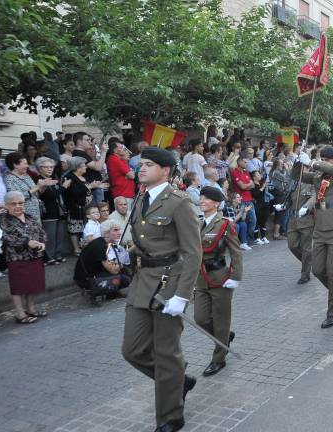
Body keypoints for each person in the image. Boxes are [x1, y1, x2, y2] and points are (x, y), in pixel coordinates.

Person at [121, 147, 202, 432]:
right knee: (132, 350)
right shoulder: (141, 197)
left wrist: (182, 295)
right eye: (140, 165)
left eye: (148, 165)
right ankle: (177, 380)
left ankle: (171, 417)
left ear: (165, 170)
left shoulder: (178, 202)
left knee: (167, 354)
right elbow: (144, 241)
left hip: (169, 284)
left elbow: (193, 253)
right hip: (142, 281)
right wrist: (126, 253)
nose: (141, 169)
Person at [300, 146, 333, 328]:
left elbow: (330, 169)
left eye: (325, 159)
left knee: (332, 270)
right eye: (320, 158)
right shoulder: (318, 176)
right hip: (321, 225)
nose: (322, 162)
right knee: (318, 269)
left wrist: (313, 162)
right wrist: (298, 161)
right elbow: (296, 177)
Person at [194, 187, 242, 377]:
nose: (202, 200)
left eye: (206, 198)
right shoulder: (196, 223)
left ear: (216, 203)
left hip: (220, 277)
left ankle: (218, 359)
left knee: (221, 321)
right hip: (200, 278)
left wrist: (235, 277)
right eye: (201, 197)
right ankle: (223, 338)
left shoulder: (224, 224)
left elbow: (236, 251)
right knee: (200, 318)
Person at [2, 191, 47, 324]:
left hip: (34, 255)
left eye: (20, 203)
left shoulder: (30, 217)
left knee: (33, 284)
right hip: (16, 258)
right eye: (13, 204)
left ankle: (31, 309)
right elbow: (6, 238)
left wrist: (42, 243)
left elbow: (42, 233)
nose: (18, 206)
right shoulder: (3, 220)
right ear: (6, 205)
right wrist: (27, 242)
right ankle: (20, 313)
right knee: (18, 286)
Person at [73, 219, 130, 295]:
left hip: (93, 274)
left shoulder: (104, 243)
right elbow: (113, 270)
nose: (119, 233)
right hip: (87, 280)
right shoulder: (100, 246)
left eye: (119, 230)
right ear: (106, 233)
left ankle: (112, 292)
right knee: (125, 279)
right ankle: (107, 293)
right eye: (115, 230)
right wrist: (121, 263)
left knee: (125, 272)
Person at [287, 162, 316, 284]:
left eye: (302, 167)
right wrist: (283, 205)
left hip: (306, 219)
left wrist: (307, 206)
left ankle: (305, 274)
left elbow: (315, 196)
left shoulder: (313, 181)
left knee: (306, 248)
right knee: (292, 245)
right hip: (293, 219)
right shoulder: (294, 181)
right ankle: (309, 262)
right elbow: (289, 197)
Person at [36, 157, 68, 265]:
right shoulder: (39, 180)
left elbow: (58, 194)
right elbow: (49, 195)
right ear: (40, 168)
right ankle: (49, 257)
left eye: (51, 167)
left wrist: (60, 188)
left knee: (59, 235)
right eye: (46, 167)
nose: (50, 169)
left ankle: (57, 255)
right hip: (48, 212)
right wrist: (63, 187)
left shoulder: (53, 179)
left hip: (59, 211)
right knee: (50, 237)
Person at [4, 152, 49, 222]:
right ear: (15, 165)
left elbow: (36, 193)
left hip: (35, 215)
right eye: (25, 163)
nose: (27, 166)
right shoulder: (9, 178)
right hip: (23, 216)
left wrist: (44, 186)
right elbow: (16, 198)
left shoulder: (26, 176)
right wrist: (37, 187)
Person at [230, 156, 257, 247]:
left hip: (249, 199)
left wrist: (247, 185)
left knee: (253, 221)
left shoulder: (246, 172)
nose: (247, 164)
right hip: (241, 200)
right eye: (245, 162)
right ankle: (243, 242)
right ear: (240, 162)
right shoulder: (235, 172)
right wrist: (248, 185)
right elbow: (242, 187)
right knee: (243, 221)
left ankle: (249, 241)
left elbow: (253, 185)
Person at [106, 137, 136, 207]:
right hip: (123, 195)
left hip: (124, 194)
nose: (124, 149)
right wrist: (129, 173)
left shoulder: (116, 159)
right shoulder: (115, 159)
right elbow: (132, 176)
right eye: (122, 148)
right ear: (116, 150)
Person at [250, 170, 270, 244]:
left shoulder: (261, 182)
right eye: (258, 175)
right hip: (257, 205)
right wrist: (263, 187)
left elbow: (266, 176)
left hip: (265, 204)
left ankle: (263, 237)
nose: (260, 176)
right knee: (257, 221)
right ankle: (256, 238)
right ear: (254, 177)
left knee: (263, 221)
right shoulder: (253, 185)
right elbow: (255, 194)